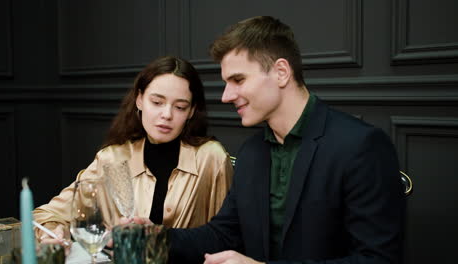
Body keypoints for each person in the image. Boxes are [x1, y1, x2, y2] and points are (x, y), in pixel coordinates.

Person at [166, 16, 405, 264]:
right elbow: (223, 234)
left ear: (281, 72)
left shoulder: (361, 145)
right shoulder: (252, 152)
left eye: (238, 80)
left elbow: (378, 259)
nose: (226, 96)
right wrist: (152, 237)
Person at [32, 56, 233, 247]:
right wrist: (56, 233)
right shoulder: (112, 158)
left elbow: (229, 236)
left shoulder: (211, 158)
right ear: (139, 100)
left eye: (180, 107)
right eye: (156, 102)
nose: (166, 114)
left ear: (191, 111)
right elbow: (45, 215)